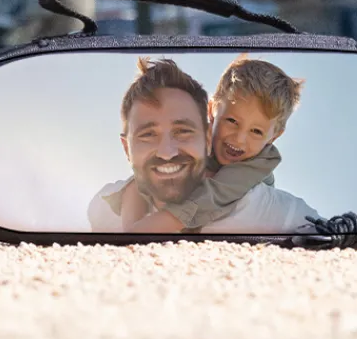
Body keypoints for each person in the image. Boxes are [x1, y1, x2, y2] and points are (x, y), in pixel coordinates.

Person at [86, 57, 318, 235]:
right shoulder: (195, 134)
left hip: (219, 195)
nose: (239, 139)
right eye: (232, 121)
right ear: (212, 110)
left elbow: (214, 195)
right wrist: (132, 233)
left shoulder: (258, 164)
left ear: (274, 136)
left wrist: (155, 225)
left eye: (256, 131)